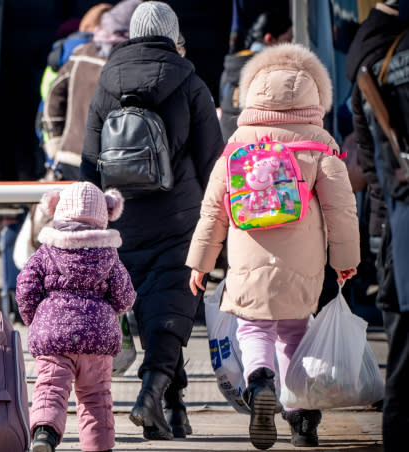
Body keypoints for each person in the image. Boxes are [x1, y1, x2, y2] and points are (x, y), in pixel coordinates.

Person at [187, 43, 360, 450]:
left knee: (252, 326)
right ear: (316, 94)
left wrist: (200, 262)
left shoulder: (236, 144)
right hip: (303, 257)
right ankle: (301, 419)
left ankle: (260, 380)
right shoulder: (321, 143)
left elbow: (214, 209)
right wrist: (346, 260)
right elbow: (341, 208)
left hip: (248, 251)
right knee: (295, 329)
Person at [80, 1, 223, 440]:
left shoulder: (106, 81)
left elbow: (89, 160)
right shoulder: (190, 81)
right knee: (170, 309)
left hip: (123, 216)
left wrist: (100, 214)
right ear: (172, 35)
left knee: (150, 308)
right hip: (179, 216)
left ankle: (173, 408)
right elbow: (212, 158)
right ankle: (150, 393)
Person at [17, 182, 135, 452]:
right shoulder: (109, 256)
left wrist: (33, 318)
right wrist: (113, 311)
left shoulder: (45, 252)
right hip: (97, 340)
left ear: (58, 210)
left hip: (53, 338)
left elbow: (25, 287)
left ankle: (45, 434)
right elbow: (125, 296)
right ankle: (99, 446)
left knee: (50, 388)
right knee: (96, 398)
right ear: (105, 215)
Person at [345, 2, 409, 450]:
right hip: (395, 217)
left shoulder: (369, 68)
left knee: (400, 351)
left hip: (391, 219)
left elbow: (366, 161)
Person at [43, 0, 141, 180]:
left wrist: (54, 140)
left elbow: (52, 96)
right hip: (113, 162)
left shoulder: (81, 54)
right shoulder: (132, 63)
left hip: (71, 155)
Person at [218, 10, 292, 141]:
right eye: (288, 40)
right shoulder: (271, 71)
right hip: (259, 150)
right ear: (269, 39)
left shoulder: (231, 67)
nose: (291, 46)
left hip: (229, 146)